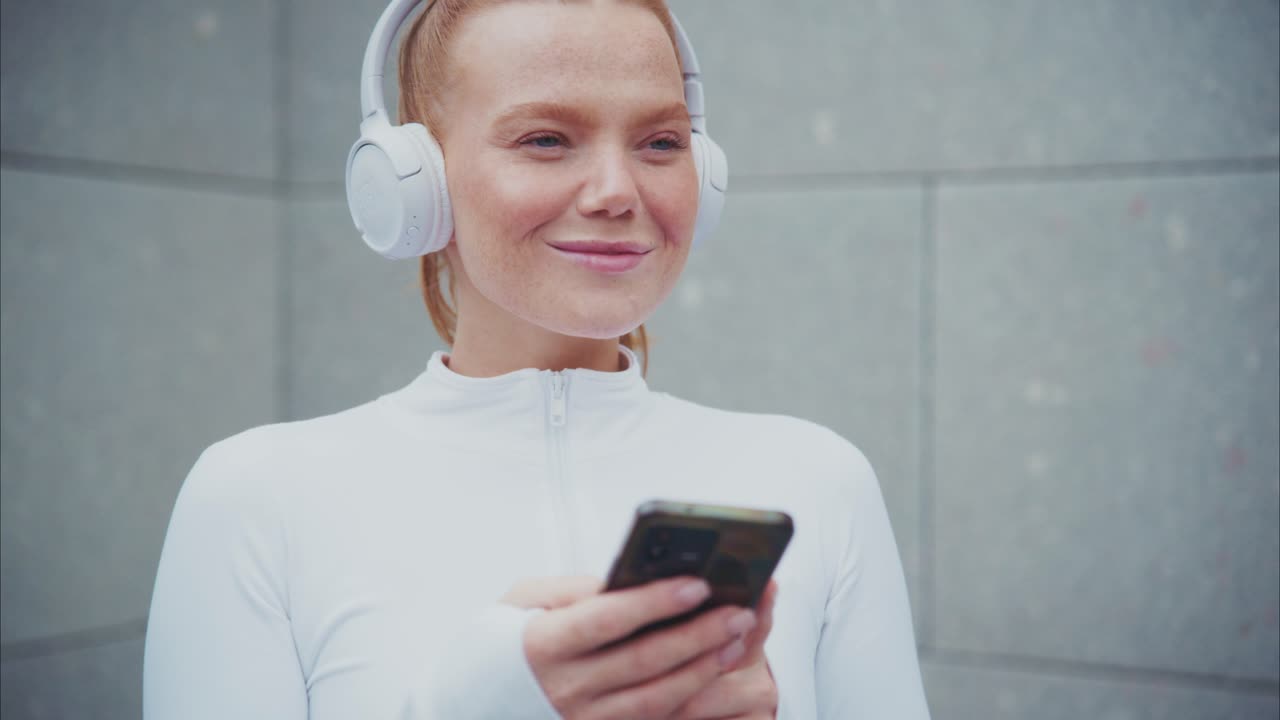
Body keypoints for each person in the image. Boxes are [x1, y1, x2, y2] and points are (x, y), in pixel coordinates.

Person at [142, 0, 931, 717]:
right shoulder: (258, 498)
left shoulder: (819, 480)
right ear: (415, 184)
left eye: (661, 142)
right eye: (545, 139)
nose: (617, 190)